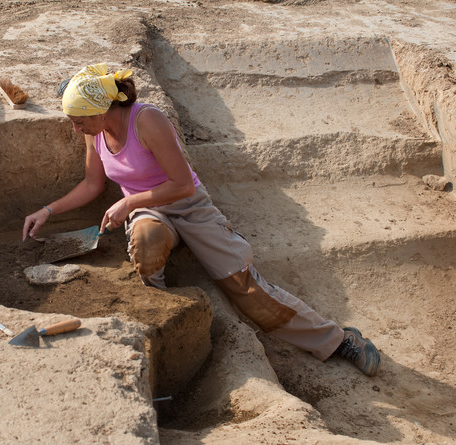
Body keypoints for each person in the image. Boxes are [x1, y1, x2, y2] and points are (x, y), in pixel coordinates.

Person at [22, 63, 381, 376]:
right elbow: (91, 184)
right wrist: (47, 211)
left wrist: (127, 201)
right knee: (146, 243)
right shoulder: (96, 132)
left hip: (189, 205)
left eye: (79, 122)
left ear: (100, 110)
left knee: (244, 287)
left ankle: (337, 341)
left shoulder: (148, 121)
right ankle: (163, 316)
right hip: (148, 210)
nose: (75, 130)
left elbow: (180, 186)